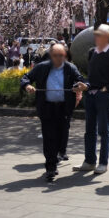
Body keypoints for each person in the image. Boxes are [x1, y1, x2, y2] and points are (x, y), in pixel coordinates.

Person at [23, 43, 86, 181]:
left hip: (64, 107)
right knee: (48, 137)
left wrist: (81, 86)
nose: (58, 58)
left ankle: (57, 155)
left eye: (61, 55)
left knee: (61, 135)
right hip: (47, 107)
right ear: (51, 56)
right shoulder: (41, 67)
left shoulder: (70, 68)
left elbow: (81, 80)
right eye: (56, 55)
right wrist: (27, 85)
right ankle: (50, 167)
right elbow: (26, 77)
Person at [75, 24, 109, 175]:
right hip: (90, 95)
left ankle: (103, 163)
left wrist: (107, 88)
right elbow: (91, 76)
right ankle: (89, 161)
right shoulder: (92, 52)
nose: (96, 37)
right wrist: (85, 85)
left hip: (103, 96)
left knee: (103, 130)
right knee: (89, 130)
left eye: (99, 35)